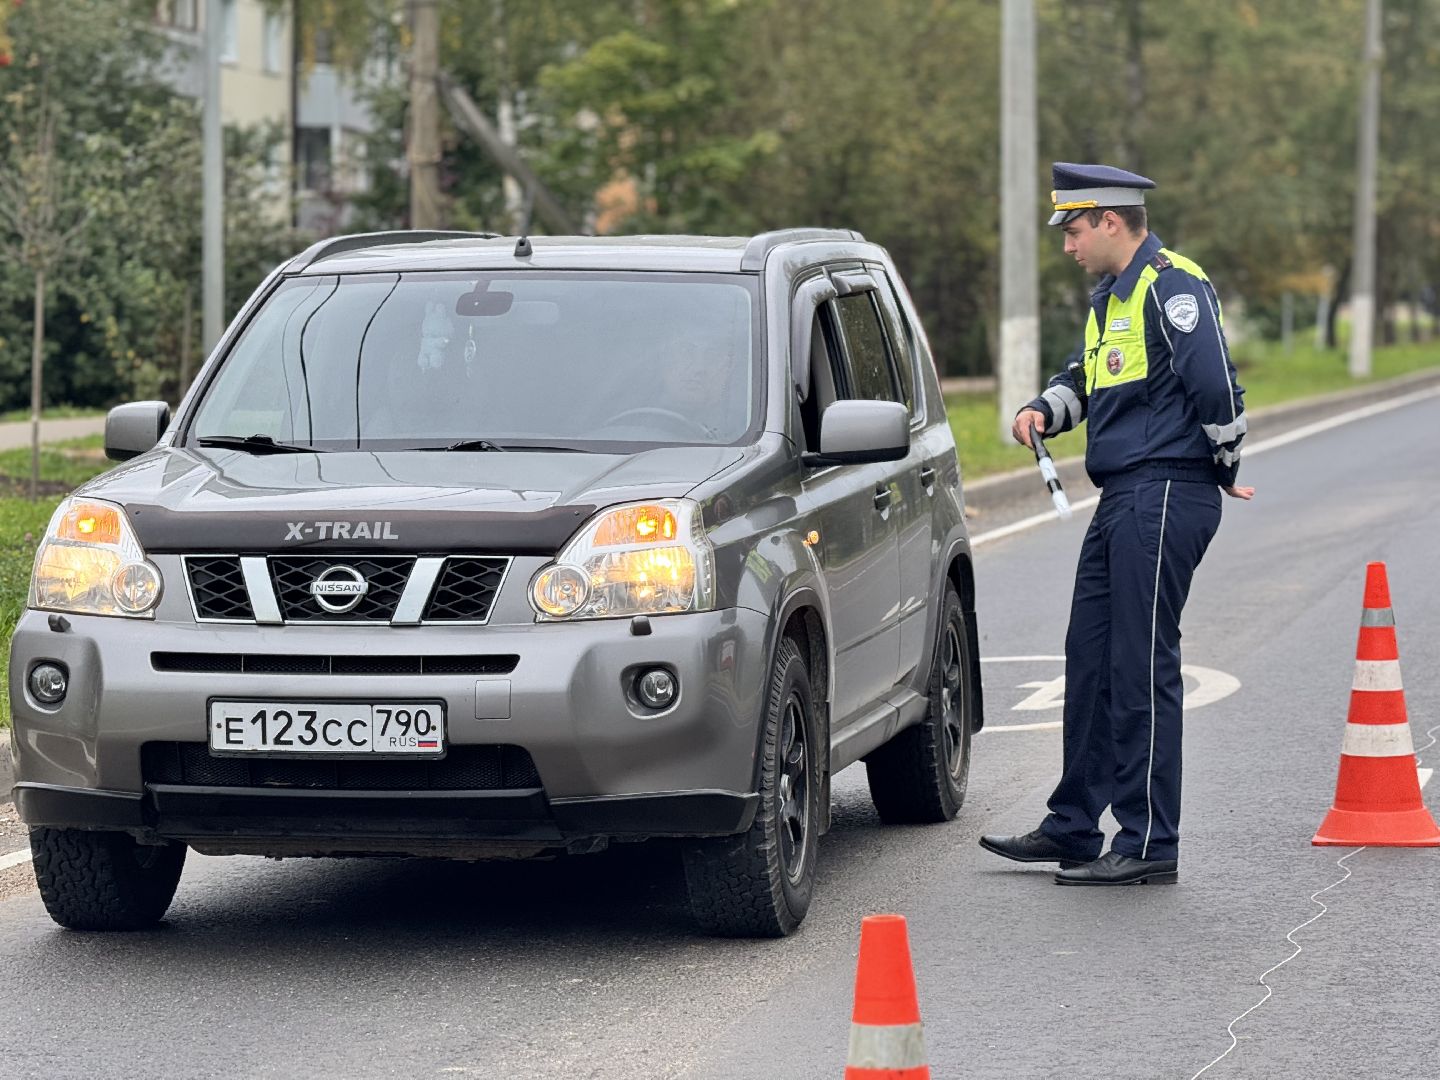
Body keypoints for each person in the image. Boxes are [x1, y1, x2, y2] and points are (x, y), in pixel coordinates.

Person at [979, 162, 1253, 886]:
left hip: (1165, 490)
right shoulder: (1114, 298)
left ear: (1108, 220)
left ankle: (1147, 842)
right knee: (1091, 660)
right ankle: (1074, 826)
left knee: (1141, 667)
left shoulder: (1172, 286)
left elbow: (1217, 385)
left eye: (1072, 230)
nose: (1067, 245)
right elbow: (1086, 379)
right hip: (1126, 495)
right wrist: (1044, 408)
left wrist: (1222, 466)